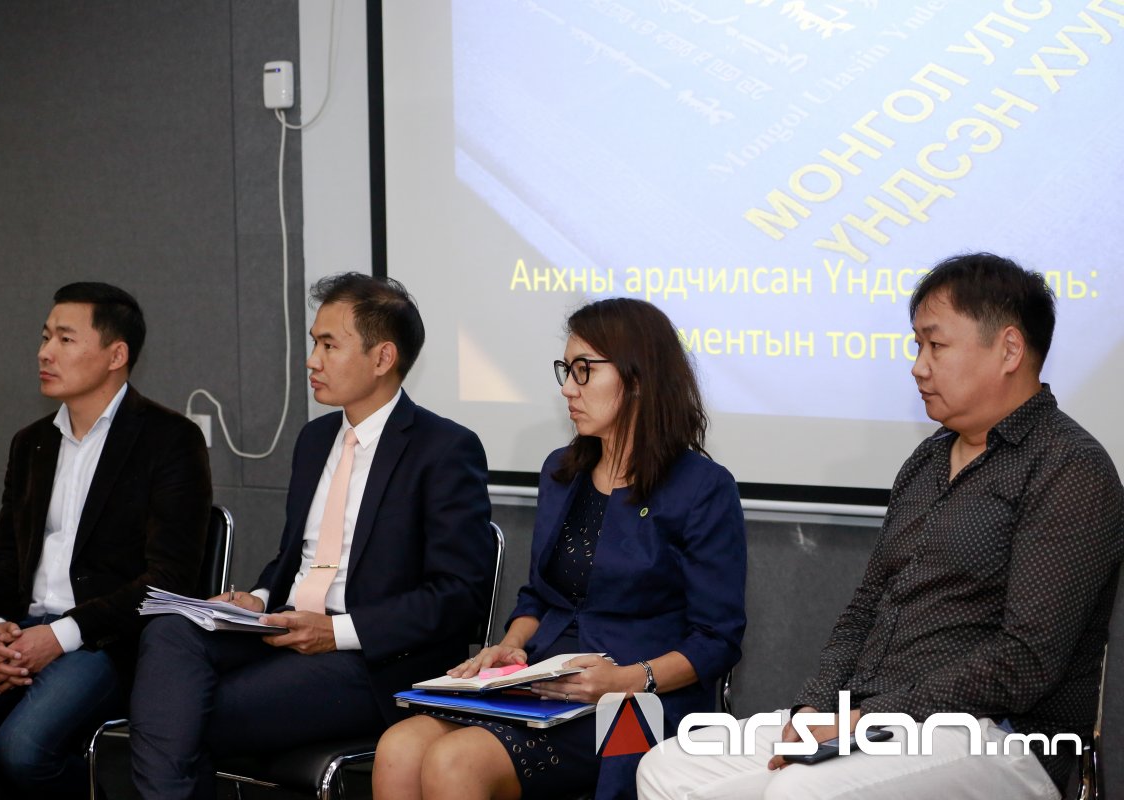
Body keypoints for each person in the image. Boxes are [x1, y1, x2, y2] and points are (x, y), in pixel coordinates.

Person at [637, 253, 1124, 800]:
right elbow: (867, 606)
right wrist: (816, 706)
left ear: (1009, 349)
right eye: (918, 346)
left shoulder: (1070, 468)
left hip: (998, 735)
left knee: (800, 791)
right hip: (872, 715)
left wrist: (873, 716)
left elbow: (1025, 660)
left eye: (935, 345)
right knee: (668, 767)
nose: (918, 366)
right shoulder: (927, 460)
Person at [128, 272, 496, 799]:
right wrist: (257, 598)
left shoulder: (443, 449)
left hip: (372, 660)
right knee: (169, 632)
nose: (311, 360)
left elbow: (458, 595)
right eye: (313, 343)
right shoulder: (315, 438)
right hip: (284, 630)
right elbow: (295, 557)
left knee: (181, 710)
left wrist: (336, 631)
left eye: (329, 345)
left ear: (382, 357)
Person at [372, 297, 747, 800]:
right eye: (566, 371)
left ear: (638, 378)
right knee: (398, 747)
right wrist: (511, 645)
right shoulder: (562, 470)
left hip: (640, 700)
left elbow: (717, 639)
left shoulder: (702, 488)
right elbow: (539, 596)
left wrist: (625, 680)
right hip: (545, 682)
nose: (568, 387)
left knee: (454, 761)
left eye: (584, 371)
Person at [0, 282, 213, 799]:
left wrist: (61, 635)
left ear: (116, 355)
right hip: (20, 633)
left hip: (107, 641)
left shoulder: (169, 439)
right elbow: (5, 553)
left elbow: (170, 579)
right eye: (44, 337)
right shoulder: (31, 442)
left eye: (64, 338)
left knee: (23, 750)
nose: (44, 352)